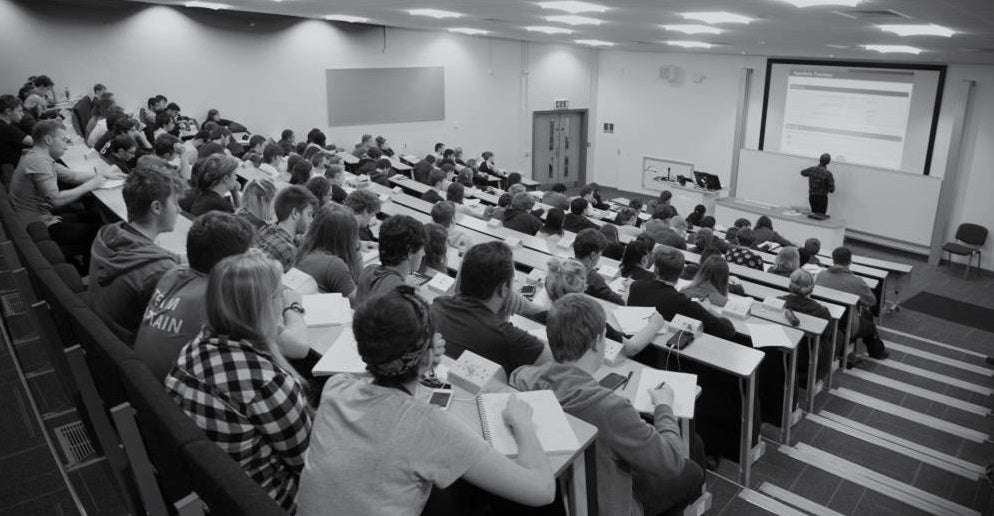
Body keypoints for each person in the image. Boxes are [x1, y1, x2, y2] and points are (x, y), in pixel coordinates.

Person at [298, 285, 555, 515]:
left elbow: (388, 384)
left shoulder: (336, 386)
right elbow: (542, 491)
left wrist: (423, 358)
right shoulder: (428, 426)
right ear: (425, 355)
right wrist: (522, 423)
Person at [511, 294, 704, 516]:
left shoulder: (521, 378)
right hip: (609, 504)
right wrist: (663, 407)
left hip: (563, 495)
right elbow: (672, 462)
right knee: (691, 471)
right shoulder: (610, 409)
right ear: (596, 341)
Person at [165, 251, 313, 513]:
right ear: (266, 307)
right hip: (271, 502)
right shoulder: (268, 384)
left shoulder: (192, 349)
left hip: (214, 494)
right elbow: (310, 466)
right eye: (279, 295)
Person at [134, 212, 256, 381]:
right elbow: (294, 347)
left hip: (143, 386)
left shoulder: (172, 274)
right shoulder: (217, 298)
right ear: (231, 265)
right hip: (175, 395)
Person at [88, 168, 186, 345]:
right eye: (176, 202)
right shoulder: (158, 271)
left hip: (103, 337)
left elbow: (164, 257)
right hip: (130, 350)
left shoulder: (110, 233)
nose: (179, 209)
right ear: (156, 207)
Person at [432, 242, 551, 375]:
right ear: (504, 287)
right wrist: (529, 307)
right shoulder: (509, 338)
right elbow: (561, 362)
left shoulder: (438, 305)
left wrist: (500, 316)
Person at [9, 121, 106, 263]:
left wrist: (104, 175)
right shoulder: (38, 162)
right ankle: (87, 270)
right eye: (63, 140)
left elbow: (71, 176)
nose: (66, 145)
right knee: (102, 231)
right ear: (48, 140)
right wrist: (90, 186)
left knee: (93, 217)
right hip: (38, 228)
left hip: (41, 218)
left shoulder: (36, 156)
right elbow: (56, 200)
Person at [628, 246, 735, 339]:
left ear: (656, 270)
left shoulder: (636, 287)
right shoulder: (684, 303)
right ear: (680, 273)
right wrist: (709, 310)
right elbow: (728, 330)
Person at [816, 247, 888, 360]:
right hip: (847, 324)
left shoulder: (821, 275)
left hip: (825, 318)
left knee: (865, 317)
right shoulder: (856, 282)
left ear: (833, 259)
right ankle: (877, 352)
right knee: (870, 326)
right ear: (850, 261)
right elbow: (872, 301)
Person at [295, 205, 362, 301]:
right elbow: (358, 302)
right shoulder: (334, 265)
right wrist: (357, 248)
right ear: (346, 237)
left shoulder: (302, 249)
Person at [780, 269, 834, 383]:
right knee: (834, 339)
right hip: (805, 358)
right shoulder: (822, 312)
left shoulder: (777, 302)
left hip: (779, 353)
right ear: (811, 288)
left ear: (790, 285)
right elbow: (827, 334)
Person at [356, 215, 425, 304]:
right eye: (422, 248)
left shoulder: (367, 271)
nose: (424, 253)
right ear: (410, 252)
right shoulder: (402, 296)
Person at [255, 185, 318, 272]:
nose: (312, 220)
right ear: (295, 213)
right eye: (309, 214)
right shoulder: (290, 252)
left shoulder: (266, 228)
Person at [573, 228, 624, 305]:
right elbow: (620, 303)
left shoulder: (563, 267)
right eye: (600, 254)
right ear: (593, 255)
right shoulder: (595, 279)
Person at [0, 95, 31, 172]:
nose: (22, 114)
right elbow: (35, 141)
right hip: (12, 170)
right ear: (8, 111)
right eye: (19, 111)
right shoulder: (5, 127)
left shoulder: (8, 124)